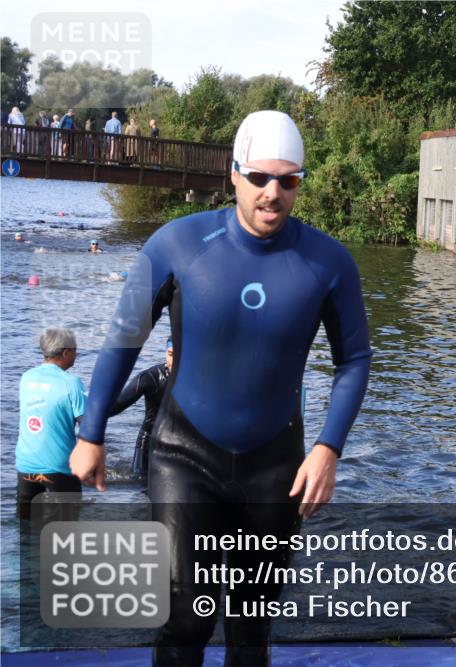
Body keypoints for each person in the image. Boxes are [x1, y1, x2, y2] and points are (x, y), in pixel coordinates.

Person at [71, 110, 372, 666]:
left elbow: (354, 360)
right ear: (233, 174)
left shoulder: (329, 262)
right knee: (186, 615)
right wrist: (91, 432)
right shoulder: (177, 243)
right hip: (185, 455)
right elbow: (122, 340)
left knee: (251, 626)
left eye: (288, 180)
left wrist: (329, 449)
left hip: (275, 463)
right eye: (259, 177)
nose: (272, 193)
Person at [16, 328, 87, 520]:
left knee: (25, 526)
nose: (76, 354)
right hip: (59, 467)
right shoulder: (72, 383)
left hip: (26, 465)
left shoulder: (26, 378)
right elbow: (88, 427)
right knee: (68, 527)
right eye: (75, 349)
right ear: (65, 353)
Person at [109, 340, 172, 485]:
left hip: (181, 440)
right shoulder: (150, 377)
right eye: (170, 354)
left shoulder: (196, 379)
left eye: (178, 355)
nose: (172, 360)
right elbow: (117, 405)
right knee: (140, 482)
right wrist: (90, 412)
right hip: (150, 439)